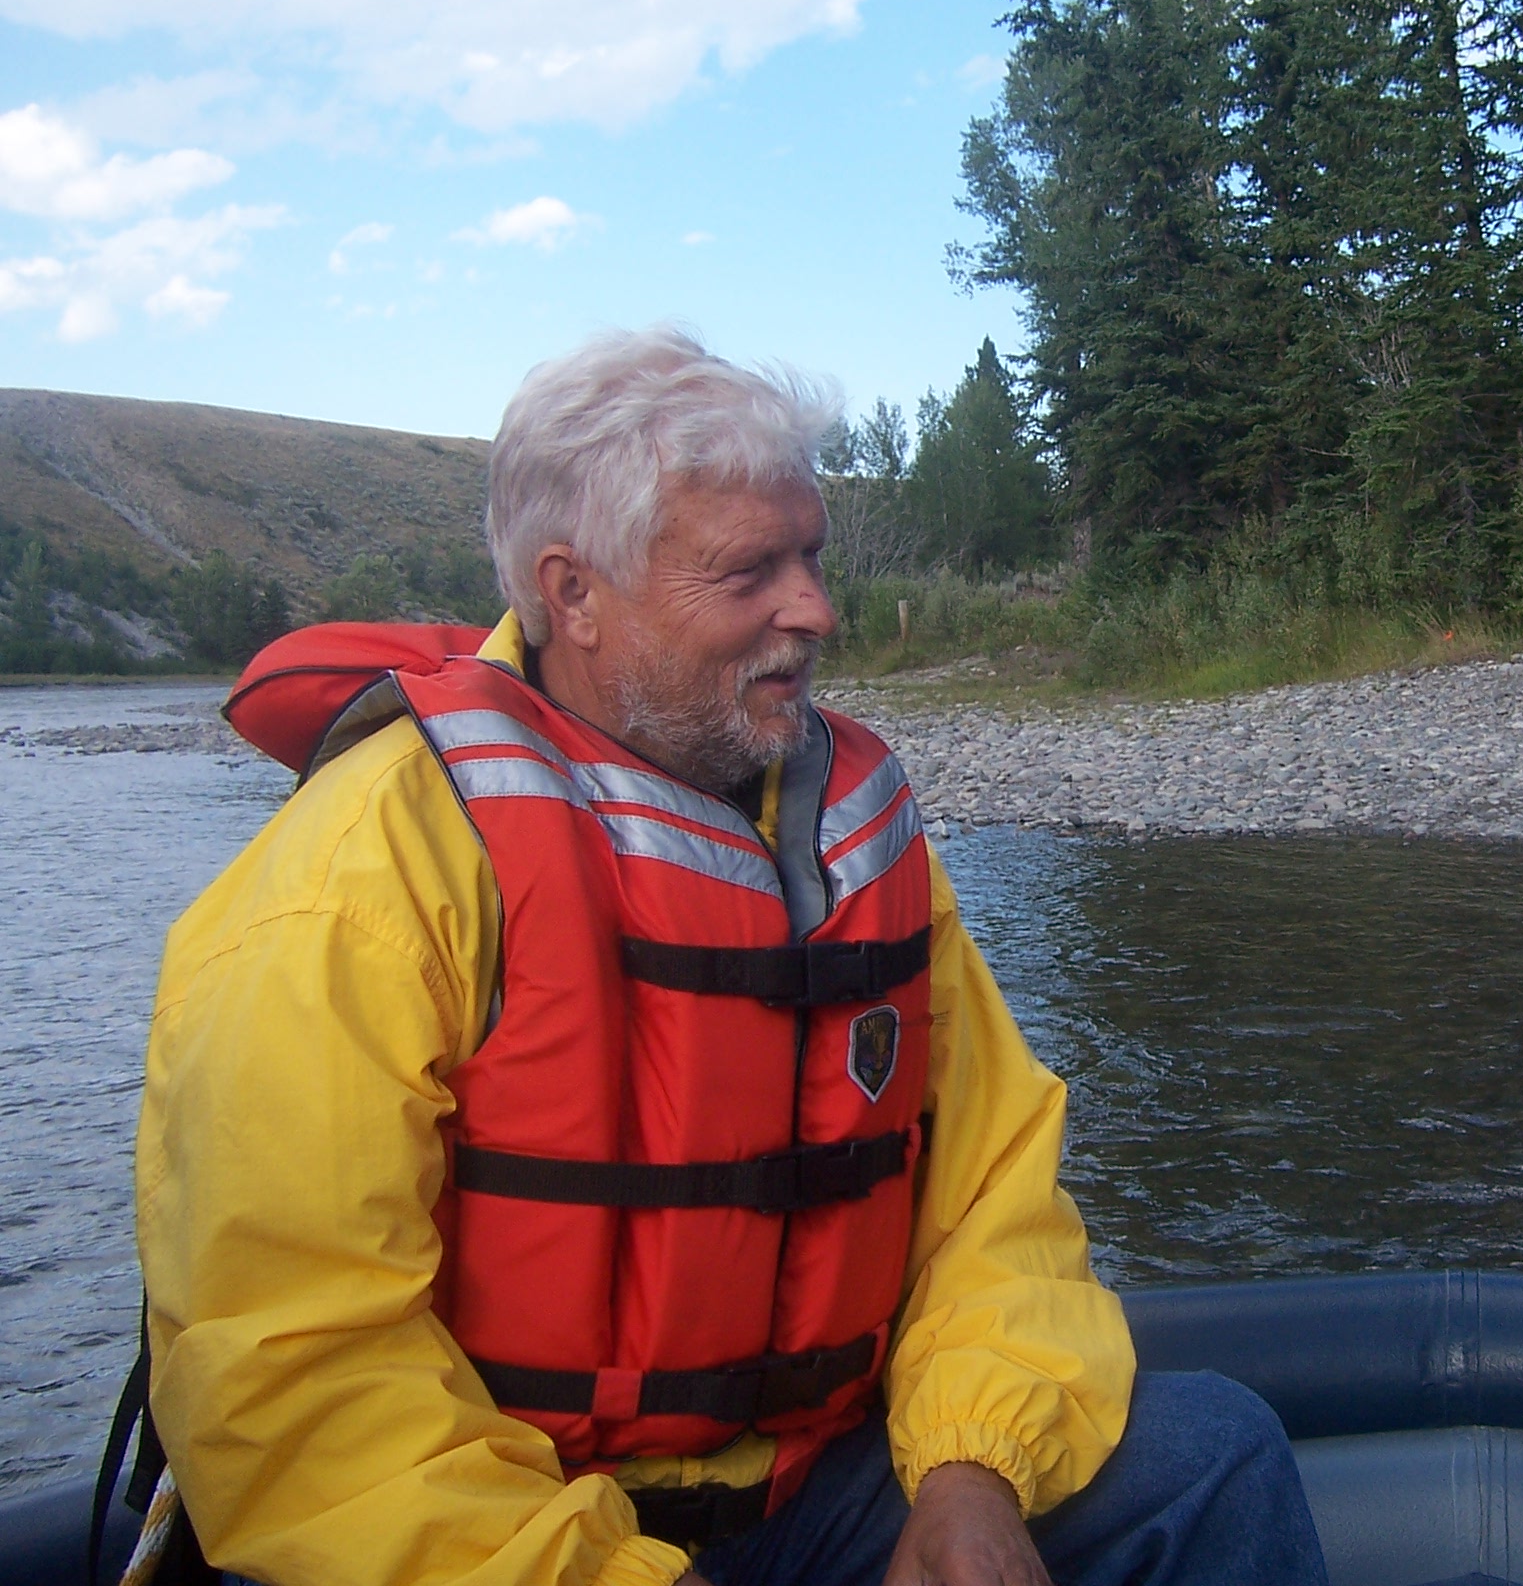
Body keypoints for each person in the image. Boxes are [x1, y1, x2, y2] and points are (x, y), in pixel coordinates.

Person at [132, 327, 1326, 1586]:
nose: (814, 608)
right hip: (508, 1529)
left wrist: (973, 1471)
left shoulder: (852, 844)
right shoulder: (359, 881)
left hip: (811, 1493)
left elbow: (991, 1203)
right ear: (573, 591)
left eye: (810, 554)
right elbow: (292, 1379)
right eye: (749, 571)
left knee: (1217, 1460)